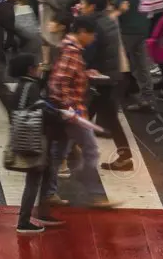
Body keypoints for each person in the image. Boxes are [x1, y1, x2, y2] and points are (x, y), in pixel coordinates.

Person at [45, 17, 117, 209]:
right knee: (91, 149)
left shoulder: (71, 50)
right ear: (83, 31)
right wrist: (71, 109)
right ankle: (96, 193)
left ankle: (48, 192)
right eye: (92, 34)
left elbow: (63, 79)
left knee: (58, 153)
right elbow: (59, 83)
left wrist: (85, 74)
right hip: (72, 113)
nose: (93, 38)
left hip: (68, 112)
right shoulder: (71, 52)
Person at [78, 0, 132, 171]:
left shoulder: (94, 25)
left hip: (100, 77)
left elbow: (90, 53)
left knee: (84, 113)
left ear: (92, 6)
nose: (80, 5)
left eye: (83, 2)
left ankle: (68, 152)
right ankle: (125, 157)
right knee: (103, 114)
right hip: (110, 76)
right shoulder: (108, 18)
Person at [10, 53, 65, 234]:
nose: (40, 67)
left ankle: (43, 212)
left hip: (33, 138)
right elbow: (38, 110)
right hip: (34, 140)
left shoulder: (23, 85)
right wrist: (60, 115)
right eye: (38, 65)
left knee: (48, 172)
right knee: (34, 179)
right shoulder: (30, 86)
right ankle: (24, 221)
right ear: (30, 69)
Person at [116, 0, 157, 113]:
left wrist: (116, 1)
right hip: (143, 25)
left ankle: (115, 100)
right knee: (142, 65)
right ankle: (148, 98)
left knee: (122, 64)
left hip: (128, 28)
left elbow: (123, 4)